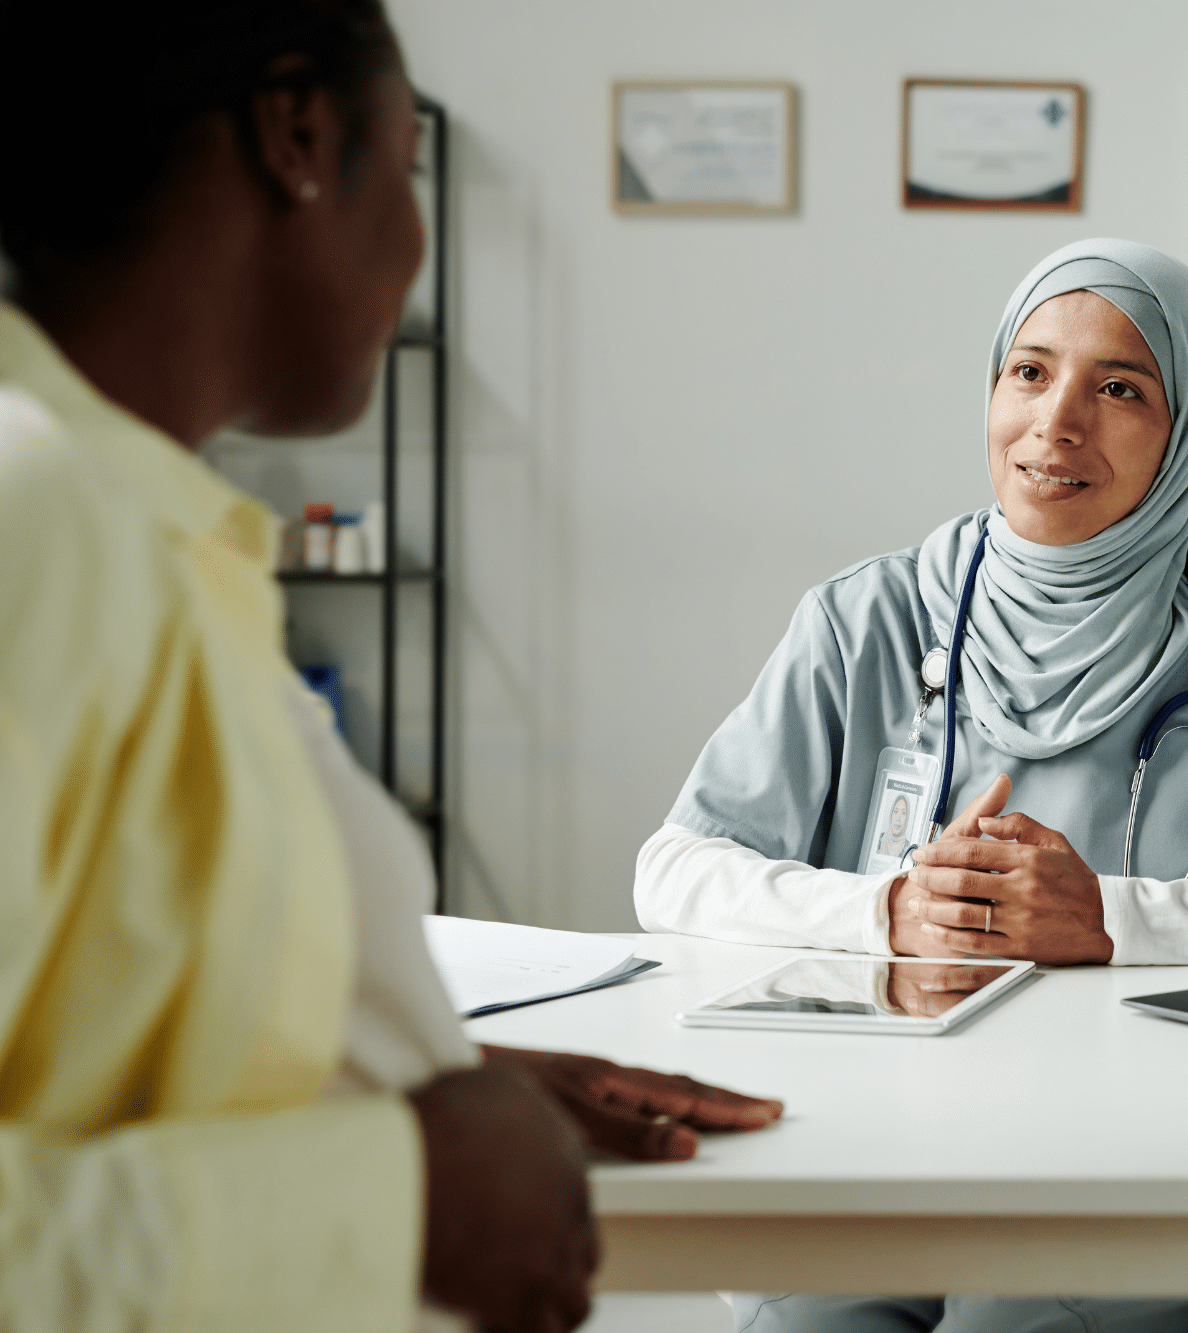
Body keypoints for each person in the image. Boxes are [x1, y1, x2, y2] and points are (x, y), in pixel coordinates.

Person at [0, 4, 781, 1331]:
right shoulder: (39, 518)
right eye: (407, 172)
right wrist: (392, 1193)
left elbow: (98, 1023)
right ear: (297, 136)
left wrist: (408, 1073)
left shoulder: (153, 531)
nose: (415, 247)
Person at [633, 239, 1188, 1333]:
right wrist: (889, 911)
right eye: (1030, 371)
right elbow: (675, 868)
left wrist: (1113, 920)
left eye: (1120, 388)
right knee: (814, 1318)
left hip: (1161, 1141)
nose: (1056, 423)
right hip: (882, 1133)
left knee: (1013, 1317)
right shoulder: (869, 617)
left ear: (1185, 426)